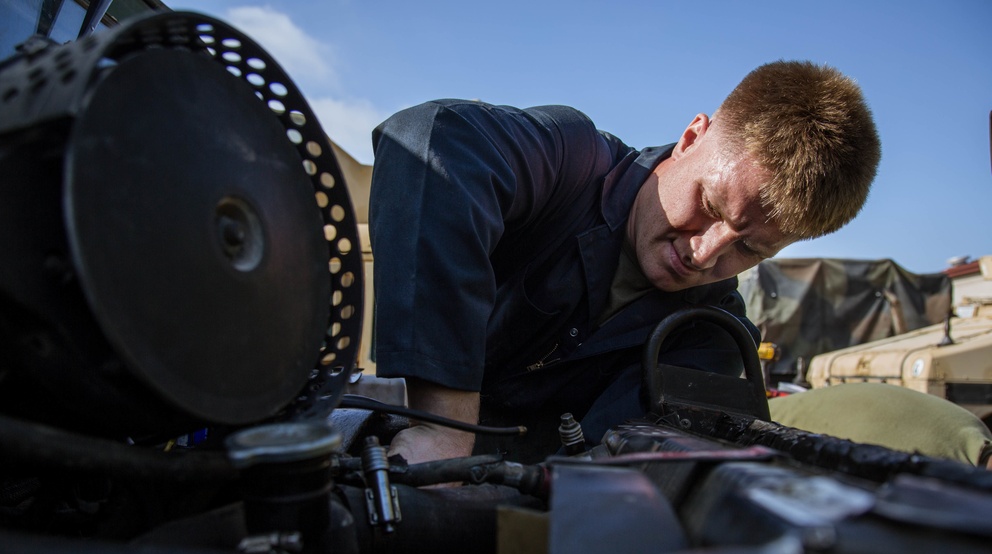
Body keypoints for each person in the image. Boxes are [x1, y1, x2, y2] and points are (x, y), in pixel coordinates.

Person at [368, 60, 880, 464]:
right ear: (692, 137)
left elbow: (633, 486)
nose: (703, 254)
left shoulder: (711, 342)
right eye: (710, 206)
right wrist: (444, 426)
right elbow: (434, 139)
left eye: (749, 250)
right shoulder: (571, 164)